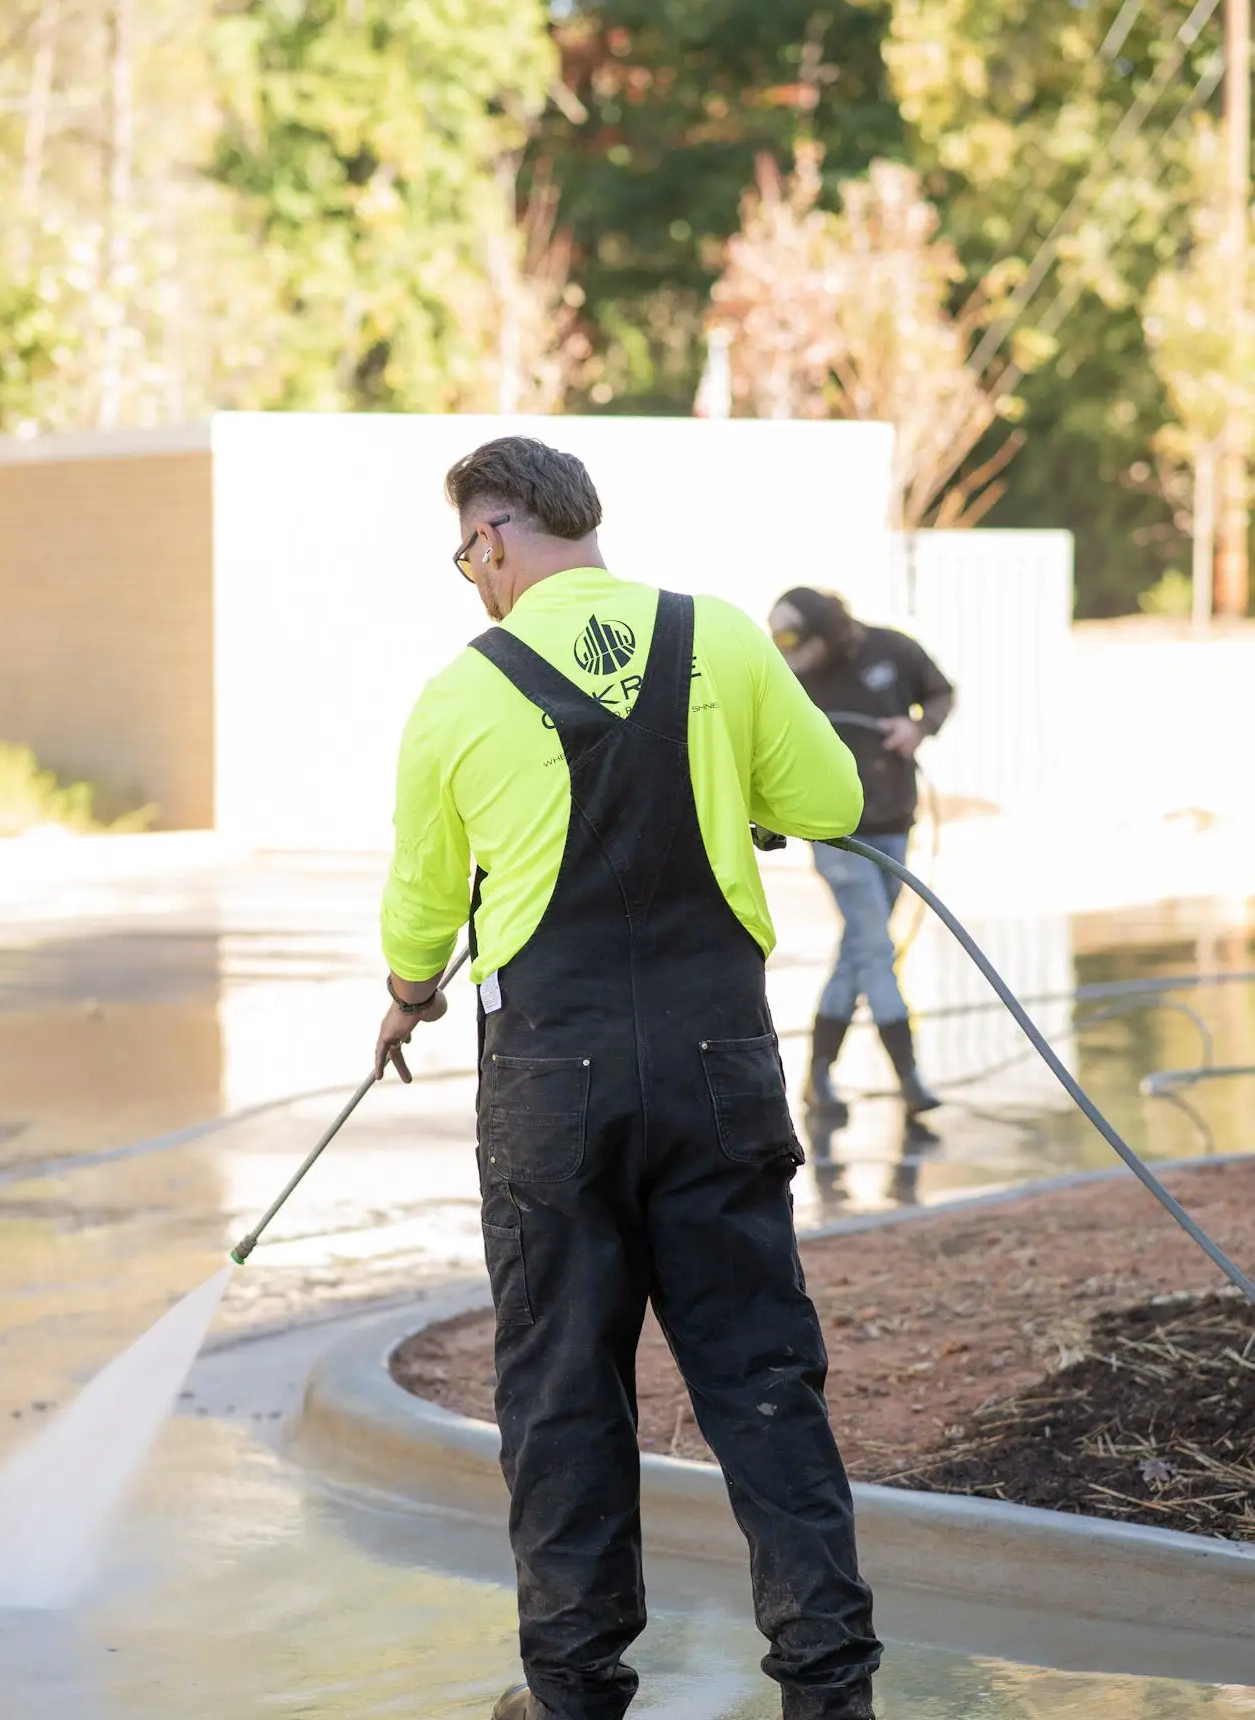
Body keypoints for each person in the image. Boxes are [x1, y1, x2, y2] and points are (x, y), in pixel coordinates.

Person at [375, 437, 882, 1720]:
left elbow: (425, 908)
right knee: (764, 1383)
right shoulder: (718, 635)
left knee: (559, 1392)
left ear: (492, 538)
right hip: (719, 1072)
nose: (470, 579)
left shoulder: (459, 693)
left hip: (558, 1087)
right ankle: (830, 1693)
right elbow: (827, 797)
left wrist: (405, 994)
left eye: (464, 555)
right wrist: (743, 789)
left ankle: (573, 1692)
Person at [767, 588, 954, 1125]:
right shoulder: (792, 676)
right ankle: (910, 1079)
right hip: (836, 834)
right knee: (874, 946)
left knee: (858, 950)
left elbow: (941, 694)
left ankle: (818, 1078)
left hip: (895, 822)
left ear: (828, 633)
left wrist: (917, 727)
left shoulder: (893, 652)